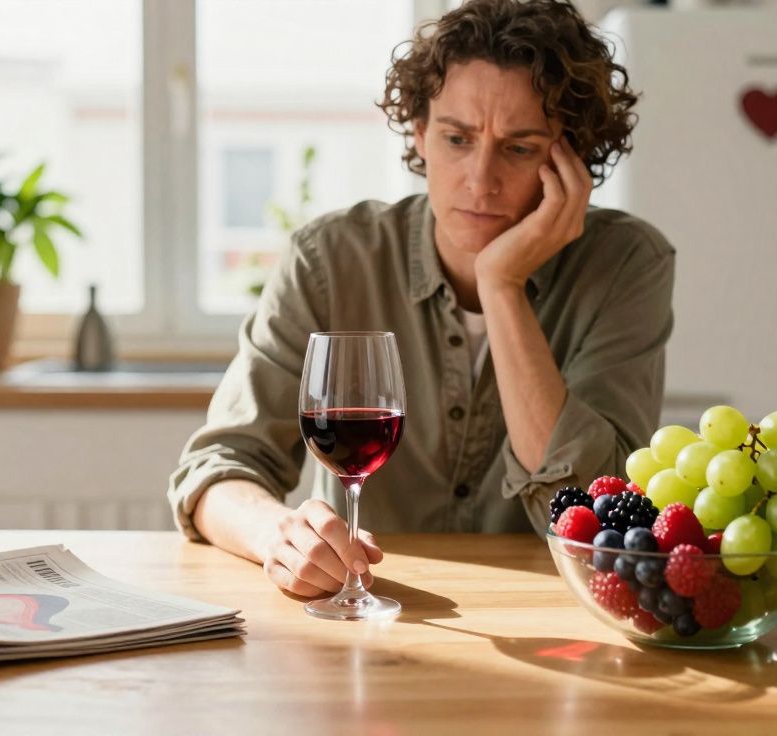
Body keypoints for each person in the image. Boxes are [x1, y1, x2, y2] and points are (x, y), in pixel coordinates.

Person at [168, 0, 675, 598]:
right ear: (419, 134)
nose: (480, 179)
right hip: (371, 620)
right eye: (457, 138)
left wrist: (502, 285)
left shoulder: (625, 266)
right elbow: (215, 470)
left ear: (569, 157)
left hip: (549, 616)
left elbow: (595, 514)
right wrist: (277, 535)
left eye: (519, 147)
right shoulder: (330, 259)